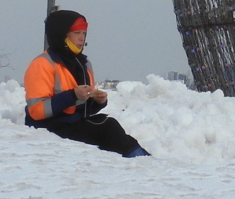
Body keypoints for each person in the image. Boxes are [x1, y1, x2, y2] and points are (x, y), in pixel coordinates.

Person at [24, 9, 148, 157]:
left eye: (84, 33)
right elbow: (36, 111)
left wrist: (97, 101)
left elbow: (82, 110)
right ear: (61, 35)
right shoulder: (42, 64)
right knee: (108, 128)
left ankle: (144, 161)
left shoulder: (83, 64)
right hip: (49, 128)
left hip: (73, 123)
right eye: (76, 33)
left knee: (116, 131)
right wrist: (73, 95)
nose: (81, 38)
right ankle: (141, 163)